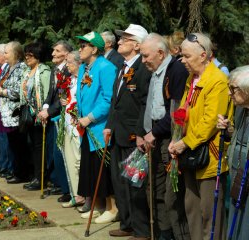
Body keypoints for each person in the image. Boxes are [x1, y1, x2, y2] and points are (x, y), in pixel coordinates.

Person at [168, 33, 233, 240]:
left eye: (186, 56)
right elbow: (184, 111)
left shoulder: (218, 80)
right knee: (192, 208)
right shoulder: (192, 78)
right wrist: (176, 137)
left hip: (208, 156)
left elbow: (210, 122)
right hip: (190, 153)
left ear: (203, 55)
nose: (182, 60)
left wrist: (183, 143)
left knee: (209, 212)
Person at [140, 33, 190, 239]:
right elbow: (150, 105)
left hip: (170, 139)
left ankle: (178, 235)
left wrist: (155, 132)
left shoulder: (176, 70)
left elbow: (177, 114)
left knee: (172, 196)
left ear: (160, 53)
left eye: (145, 56)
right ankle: (164, 233)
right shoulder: (156, 70)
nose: (143, 61)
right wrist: (144, 133)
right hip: (154, 137)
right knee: (155, 190)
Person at [104, 24, 151, 239]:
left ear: (137, 44)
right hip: (118, 134)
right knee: (119, 182)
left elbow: (144, 104)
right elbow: (116, 102)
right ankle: (127, 223)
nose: (120, 41)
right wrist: (109, 126)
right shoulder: (123, 67)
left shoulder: (143, 67)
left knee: (135, 184)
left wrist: (140, 132)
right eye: (121, 38)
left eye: (126, 38)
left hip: (134, 136)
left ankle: (141, 230)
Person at [75, 31, 117, 223]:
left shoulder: (105, 67)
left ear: (94, 49)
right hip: (87, 127)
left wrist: (89, 118)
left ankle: (112, 207)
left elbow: (109, 99)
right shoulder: (85, 67)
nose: (80, 49)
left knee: (103, 169)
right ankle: (99, 206)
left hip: (99, 127)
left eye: (84, 46)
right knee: (91, 168)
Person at [37, 40, 72, 202]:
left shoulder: (69, 70)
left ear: (66, 54)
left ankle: (66, 187)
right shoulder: (54, 70)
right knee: (53, 150)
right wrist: (44, 108)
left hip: (62, 115)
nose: (53, 54)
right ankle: (58, 182)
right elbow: (51, 93)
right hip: (51, 115)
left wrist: (49, 111)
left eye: (57, 51)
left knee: (61, 152)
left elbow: (64, 96)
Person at [217, 66, 249, 240]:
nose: (229, 94)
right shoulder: (240, 109)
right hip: (237, 177)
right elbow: (238, 135)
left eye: (233, 89)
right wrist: (228, 129)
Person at [0, 41, 29, 184]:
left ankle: (21, 173)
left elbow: (18, 91)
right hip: (6, 112)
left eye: (7, 52)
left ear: (16, 53)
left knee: (19, 144)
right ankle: (15, 170)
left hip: (15, 113)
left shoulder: (21, 68)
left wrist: (2, 91)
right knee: (12, 143)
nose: (4, 55)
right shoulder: (8, 67)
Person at [20, 42, 51, 190]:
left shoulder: (44, 71)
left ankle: (41, 178)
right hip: (28, 115)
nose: (27, 57)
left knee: (40, 147)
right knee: (31, 146)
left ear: (38, 56)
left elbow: (46, 94)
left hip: (39, 115)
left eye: (30, 55)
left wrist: (43, 111)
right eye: (26, 54)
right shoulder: (27, 71)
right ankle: (35, 175)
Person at [58, 51, 85, 207]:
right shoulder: (70, 80)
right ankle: (76, 194)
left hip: (77, 126)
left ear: (78, 63)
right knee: (70, 160)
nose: (66, 65)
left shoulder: (83, 79)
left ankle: (83, 194)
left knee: (79, 162)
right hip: (68, 124)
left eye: (69, 62)